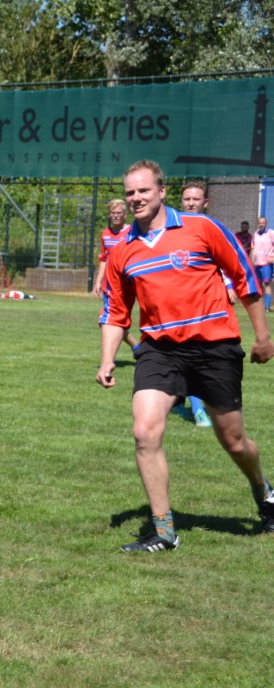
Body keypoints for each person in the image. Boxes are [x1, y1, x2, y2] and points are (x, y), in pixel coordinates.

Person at [97, 160, 274, 552]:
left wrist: (263, 337)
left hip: (214, 349)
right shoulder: (123, 250)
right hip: (160, 351)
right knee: (145, 431)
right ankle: (164, 532)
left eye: (143, 190)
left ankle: (264, 491)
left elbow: (245, 277)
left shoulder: (202, 228)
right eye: (130, 192)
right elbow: (115, 312)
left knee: (234, 442)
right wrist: (107, 358)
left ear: (162, 191)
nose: (136, 198)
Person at [176, 180, 234, 427]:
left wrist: (229, 286)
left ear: (206, 203)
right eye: (187, 199)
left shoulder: (213, 229)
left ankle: (186, 402)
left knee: (200, 356)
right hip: (178, 305)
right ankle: (198, 410)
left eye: (196, 199)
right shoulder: (172, 229)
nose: (191, 203)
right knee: (185, 356)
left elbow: (227, 262)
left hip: (206, 305)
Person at [92, 198, 140, 355]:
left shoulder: (132, 231)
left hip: (130, 282)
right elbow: (104, 259)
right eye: (113, 213)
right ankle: (115, 357)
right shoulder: (105, 234)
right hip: (111, 285)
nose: (116, 216)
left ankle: (139, 348)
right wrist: (98, 281)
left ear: (125, 214)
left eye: (119, 213)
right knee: (109, 320)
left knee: (115, 321)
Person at [251, 216, 274, 311]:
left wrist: (273, 258)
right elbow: (253, 248)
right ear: (257, 224)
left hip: (266, 263)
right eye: (260, 223)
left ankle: (267, 306)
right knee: (258, 285)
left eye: (263, 223)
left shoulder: (271, 233)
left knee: (266, 284)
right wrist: (252, 261)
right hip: (257, 264)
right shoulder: (255, 234)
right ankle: (260, 306)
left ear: (266, 224)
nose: (261, 224)